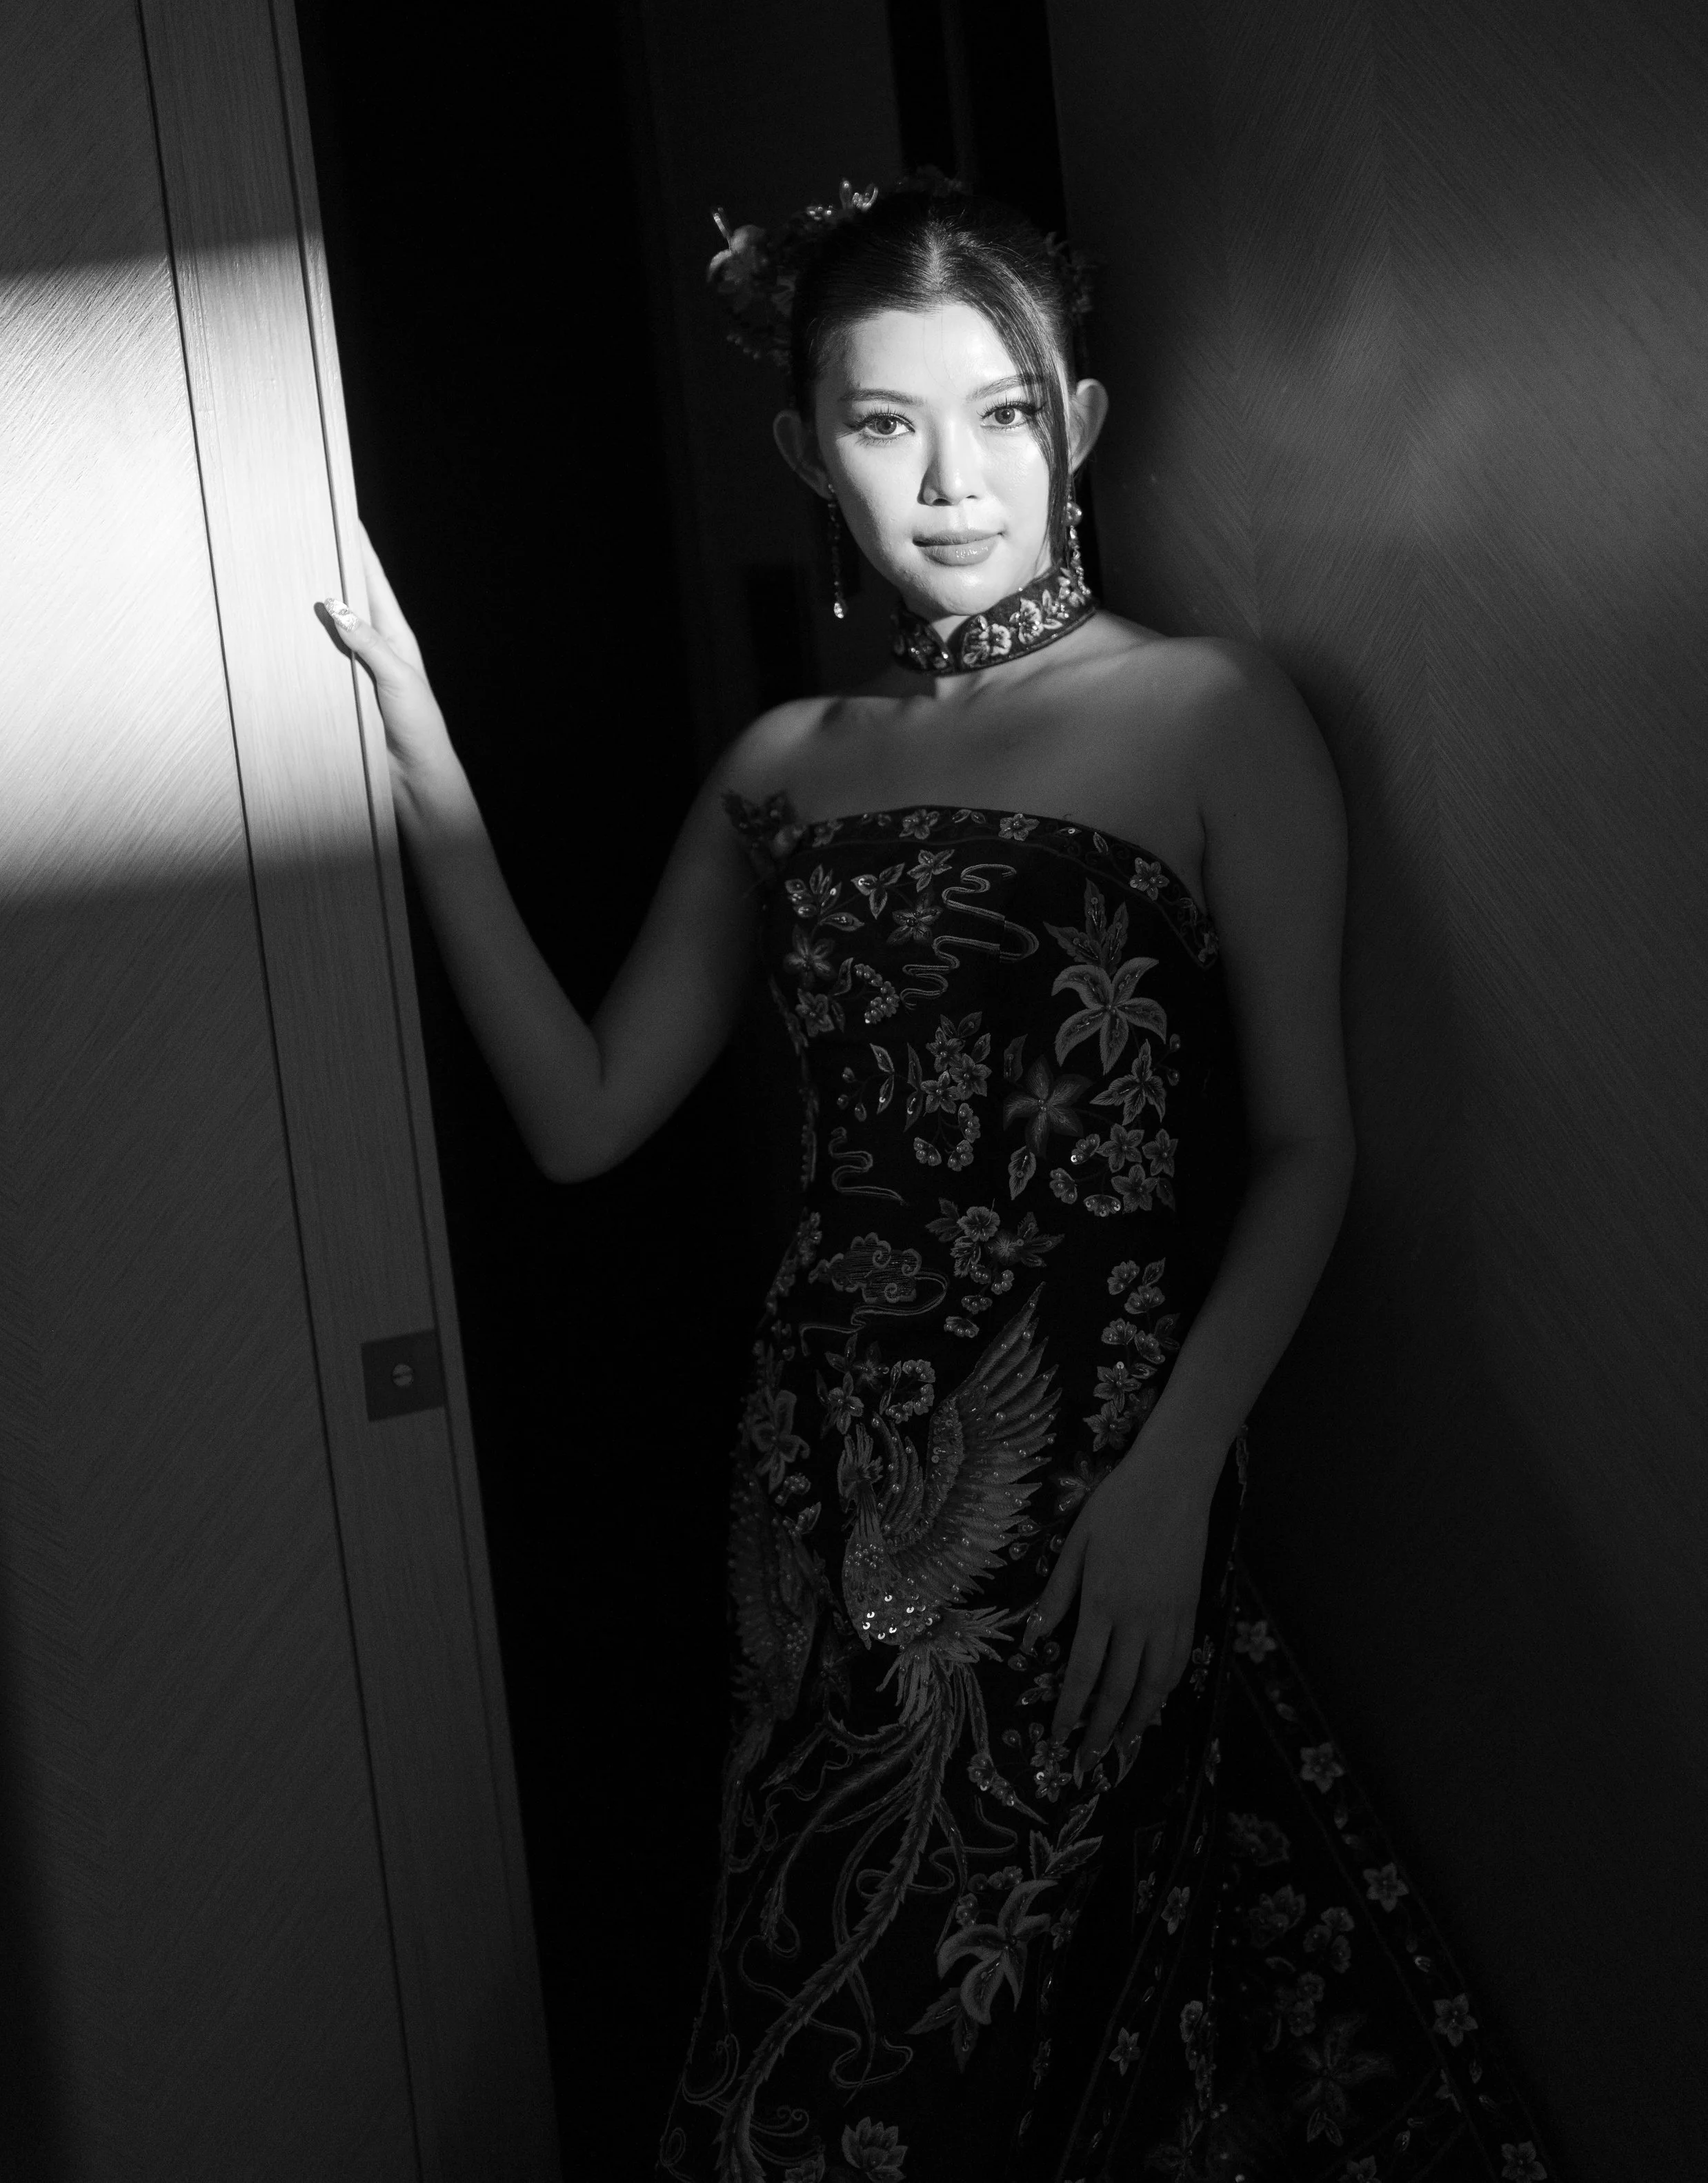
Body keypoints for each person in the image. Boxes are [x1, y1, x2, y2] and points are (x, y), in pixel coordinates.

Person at [321, 175, 1553, 2182]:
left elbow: (1309, 1149)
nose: (953, 479)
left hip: (1087, 1482)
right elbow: (582, 1112)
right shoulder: (783, 764)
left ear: (1079, 421)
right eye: (886, 424)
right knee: (802, 2004)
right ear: (808, 451)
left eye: (1001, 414)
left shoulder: (1210, 709)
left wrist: (1173, 1480)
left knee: (948, 2054)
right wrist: (415, 747)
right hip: (810, 1483)